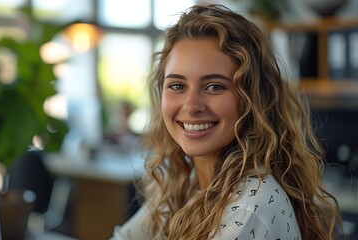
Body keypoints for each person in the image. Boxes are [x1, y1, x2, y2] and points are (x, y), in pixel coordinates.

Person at [111, 4, 341, 240]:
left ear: (253, 98)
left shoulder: (250, 206)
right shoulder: (185, 183)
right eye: (177, 86)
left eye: (214, 86)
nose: (191, 106)